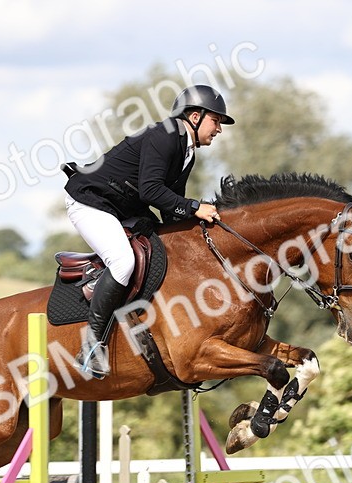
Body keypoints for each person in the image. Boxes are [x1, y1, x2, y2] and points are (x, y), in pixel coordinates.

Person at [64, 84, 234, 378]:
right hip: (90, 201)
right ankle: (92, 345)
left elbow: (170, 207)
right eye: (216, 120)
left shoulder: (187, 151)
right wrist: (195, 207)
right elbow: (151, 189)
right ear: (195, 116)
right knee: (123, 261)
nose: (218, 129)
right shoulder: (165, 135)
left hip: (121, 206)